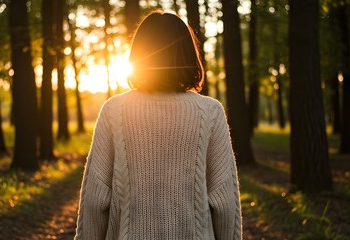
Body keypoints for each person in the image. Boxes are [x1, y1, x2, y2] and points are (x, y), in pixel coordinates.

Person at [75, 10, 242, 240]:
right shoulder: (210, 112)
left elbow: (96, 198)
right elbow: (224, 201)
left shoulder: (114, 110)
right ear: (187, 54)